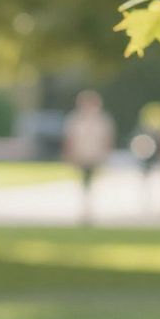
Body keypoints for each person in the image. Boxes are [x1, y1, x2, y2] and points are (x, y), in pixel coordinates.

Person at [62, 91, 115, 225]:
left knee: (90, 181)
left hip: (95, 155)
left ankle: (89, 208)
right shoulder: (75, 119)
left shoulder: (102, 120)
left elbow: (107, 139)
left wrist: (105, 154)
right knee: (84, 181)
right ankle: (85, 208)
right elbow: (70, 139)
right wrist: (69, 154)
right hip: (81, 154)